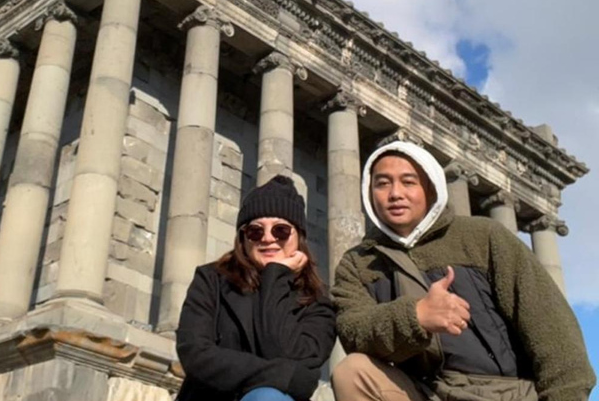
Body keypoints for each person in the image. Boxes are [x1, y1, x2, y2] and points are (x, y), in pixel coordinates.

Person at [331, 141, 595, 401]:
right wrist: (416, 316)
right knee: (353, 373)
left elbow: (552, 330)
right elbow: (353, 330)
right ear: (369, 191)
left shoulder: (482, 237)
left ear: (430, 187)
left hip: (506, 393)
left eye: (408, 182)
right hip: (428, 392)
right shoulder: (359, 263)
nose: (395, 193)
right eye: (382, 183)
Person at [176, 175, 336, 401]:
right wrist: (280, 374)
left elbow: (294, 357)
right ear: (243, 237)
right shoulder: (211, 280)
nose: (268, 239)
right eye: (255, 231)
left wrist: (277, 276)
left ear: (298, 236)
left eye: (281, 230)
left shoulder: (318, 304)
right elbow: (195, 354)